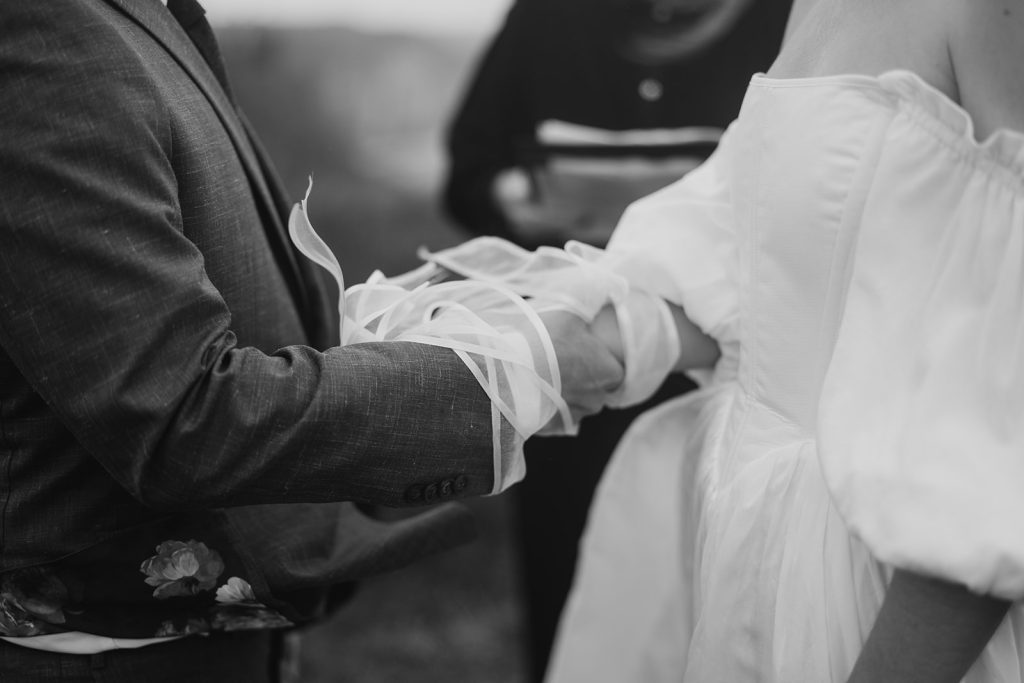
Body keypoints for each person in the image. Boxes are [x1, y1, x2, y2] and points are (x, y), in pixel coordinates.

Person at [0, 2, 622, 681]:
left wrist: (400, 331)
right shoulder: (48, 35)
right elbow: (180, 415)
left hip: (221, 623)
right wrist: (510, 373)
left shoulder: (136, 18)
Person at [420, 0, 1024, 679]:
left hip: (882, 577)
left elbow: (1002, 414)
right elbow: (764, 273)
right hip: (752, 535)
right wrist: (548, 353)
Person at [442, 0, 791, 677]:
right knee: (570, 576)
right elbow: (466, 170)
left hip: (725, 368)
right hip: (574, 365)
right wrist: (514, 199)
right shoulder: (547, 17)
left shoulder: (787, 19)